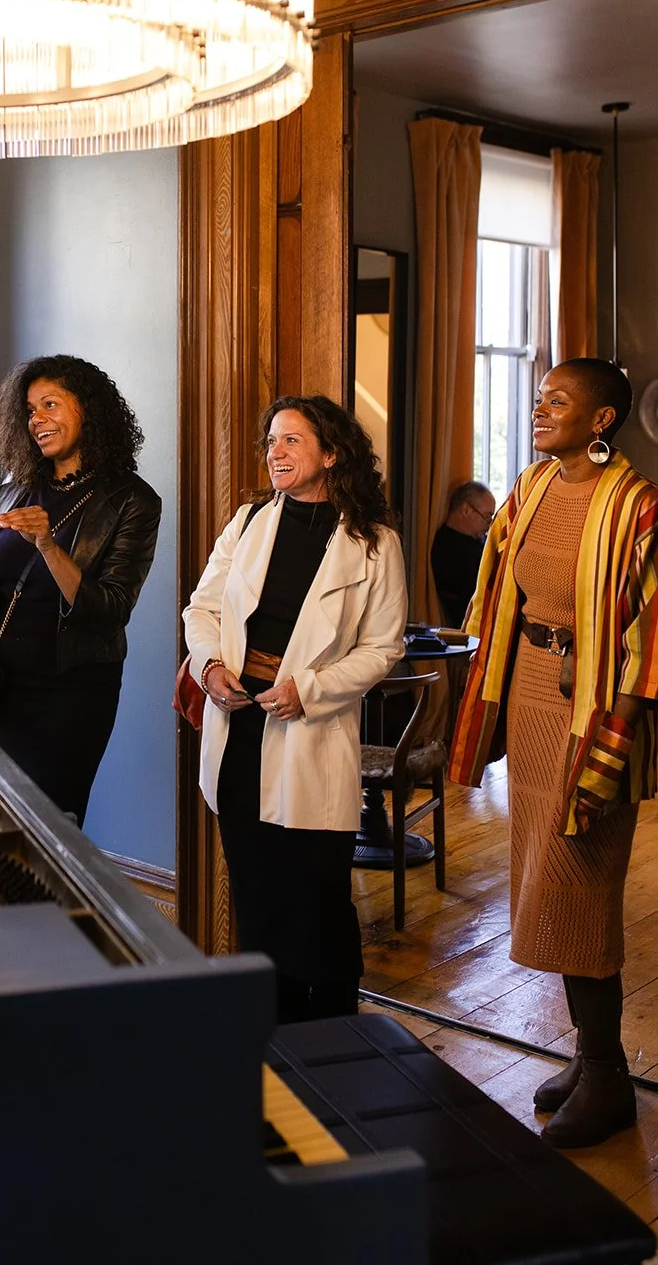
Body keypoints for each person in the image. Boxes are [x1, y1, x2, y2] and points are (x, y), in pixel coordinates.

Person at [448, 358, 658, 1148]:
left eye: (557, 401)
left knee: (581, 877)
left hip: (597, 710)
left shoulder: (635, 505)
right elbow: (502, 587)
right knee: (546, 873)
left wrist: (616, 723)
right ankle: (590, 1055)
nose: (540, 410)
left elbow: (651, 633)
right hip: (536, 691)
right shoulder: (530, 489)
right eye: (538, 399)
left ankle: (606, 1079)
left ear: (601, 419)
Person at [182, 394, 408, 1023]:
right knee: (256, 892)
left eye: (291, 442)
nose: (274, 454)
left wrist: (309, 689)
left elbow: (383, 647)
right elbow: (200, 608)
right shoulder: (249, 521)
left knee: (318, 895)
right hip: (238, 722)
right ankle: (273, 1030)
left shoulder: (373, 543)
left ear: (331, 454)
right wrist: (208, 667)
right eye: (271, 441)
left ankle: (334, 1026)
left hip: (309, 728)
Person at [0, 354, 161, 825]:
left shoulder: (132, 500)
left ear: (88, 410)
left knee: (50, 827)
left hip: (71, 693)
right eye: (31, 410)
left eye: (50, 404)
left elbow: (109, 611)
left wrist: (48, 545)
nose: (37, 419)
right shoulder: (16, 485)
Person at [431, 479, 496, 626]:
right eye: (486, 516)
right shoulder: (448, 548)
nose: (489, 524)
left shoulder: (479, 540)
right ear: (466, 510)